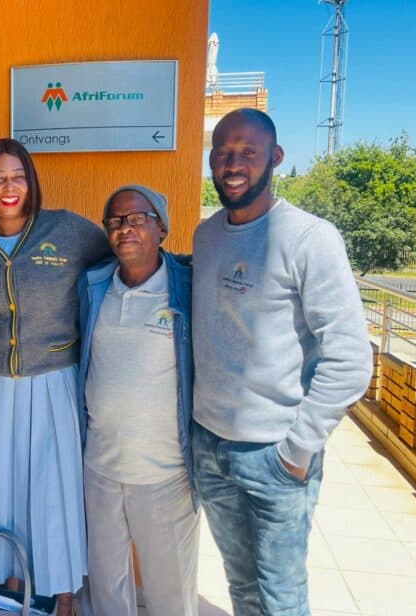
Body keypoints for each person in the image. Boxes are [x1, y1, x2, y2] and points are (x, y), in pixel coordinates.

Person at [192, 108, 373, 615]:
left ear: (274, 157)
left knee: (282, 596)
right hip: (209, 446)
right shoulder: (205, 236)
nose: (233, 164)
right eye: (223, 152)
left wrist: (298, 449)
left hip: (275, 455)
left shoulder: (310, 238)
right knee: (241, 585)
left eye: (248, 153)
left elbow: (351, 358)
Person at [0, 138, 110, 616]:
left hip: (53, 387)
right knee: (3, 496)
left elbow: (127, 261)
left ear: (31, 181)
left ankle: (62, 597)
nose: (8, 187)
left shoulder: (70, 232)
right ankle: (12, 595)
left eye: (17, 176)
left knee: (54, 496)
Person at [77, 185, 199, 616]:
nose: (124, 228)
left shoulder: (189, 287)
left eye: (136, 218)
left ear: (161, 228)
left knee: (170, 593)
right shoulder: (92, 288)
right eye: (115, 221)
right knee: (107, 589)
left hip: (166, 476)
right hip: (100, 471)